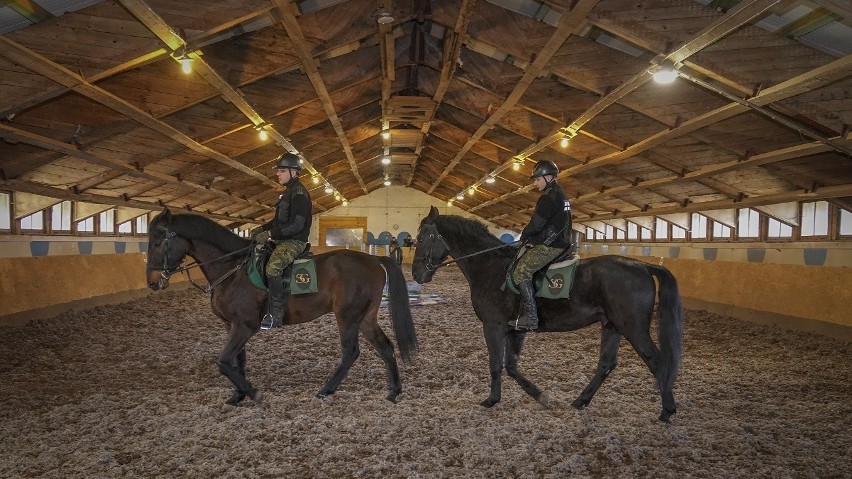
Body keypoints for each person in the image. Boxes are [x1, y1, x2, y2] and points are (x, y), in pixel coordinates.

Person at [252, 153, 312, 330]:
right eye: (278, 170)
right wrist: (261, 229)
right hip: (281, 239)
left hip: (294, 242)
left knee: (273, 267)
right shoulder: (287, 193)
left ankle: (275, 314)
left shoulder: (300, 194)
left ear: (294, 173)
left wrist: (270, 233)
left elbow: (296, 225)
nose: (278, 174)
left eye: (282, 171)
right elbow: (278, 221)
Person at [509, 160, 572, 331]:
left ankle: (530, 317)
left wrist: (524, 237)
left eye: (537, 179)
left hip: (551, 245)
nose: (535, 183)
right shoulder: (561, 194)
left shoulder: (548, 197)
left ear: (549, 177)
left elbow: (537, 224)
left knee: (521, 271)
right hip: (562, 242)